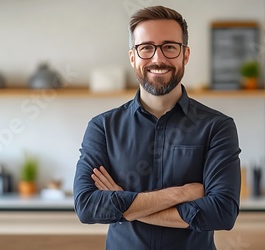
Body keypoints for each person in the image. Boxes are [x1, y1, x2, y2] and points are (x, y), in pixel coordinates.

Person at [73, 5, 241, 249]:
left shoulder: (217, 127)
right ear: (133, 57)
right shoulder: (103, 127)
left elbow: (222, 213)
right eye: (146, 48)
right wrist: (182, 193)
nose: (158, 58)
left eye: (169, 47)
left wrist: (123, 203)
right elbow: (88, 206)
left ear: (185, 55)